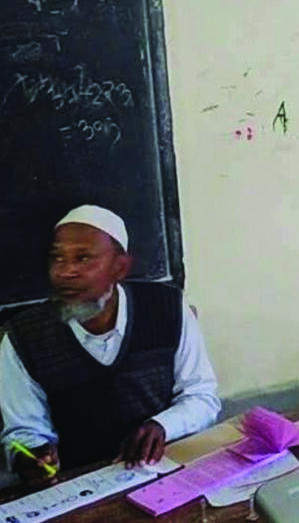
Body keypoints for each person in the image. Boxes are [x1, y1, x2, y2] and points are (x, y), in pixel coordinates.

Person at [0, 205, 221, 487]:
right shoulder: (23, 338)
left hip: (163, 471)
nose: (65, 271)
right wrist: (30, 456)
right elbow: (24, 432)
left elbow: (202, 396)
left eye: (83, 258)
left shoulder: (168, 308)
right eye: (57, 258)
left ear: (120, 267)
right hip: (80, 483)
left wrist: (162, 426)